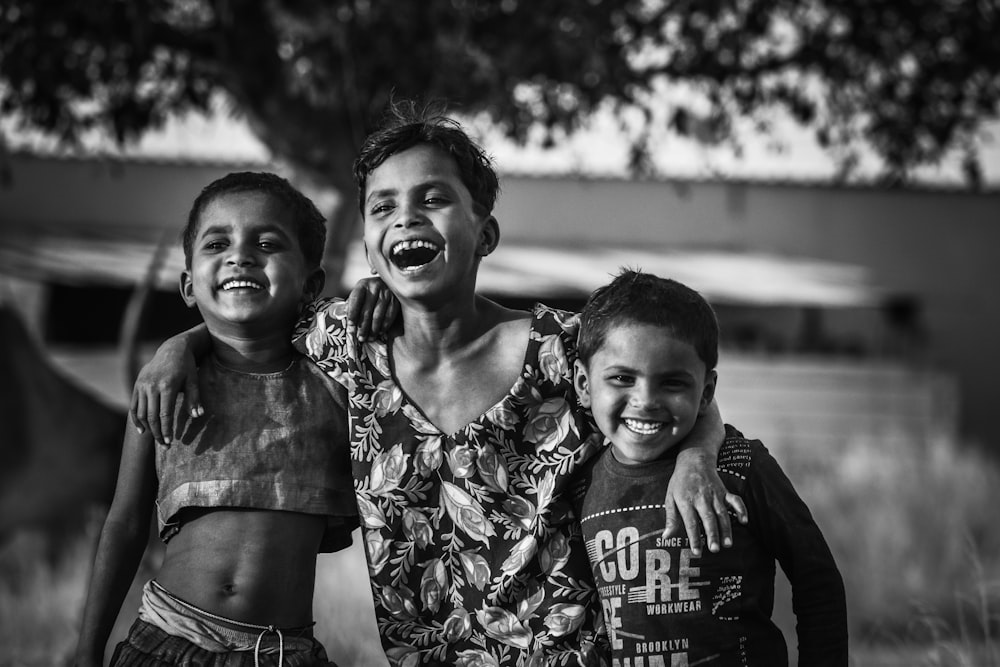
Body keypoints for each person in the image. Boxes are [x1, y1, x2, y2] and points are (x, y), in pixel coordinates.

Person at [130, 102, 746, 666]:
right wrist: (174, 348)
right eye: (383, 207)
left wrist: (697, 457)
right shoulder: (348, 345)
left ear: (486, 234)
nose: (406, 218)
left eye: (433, 199)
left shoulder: (563, 348)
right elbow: (241, 317)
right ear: (371, 251)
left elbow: (675, 393)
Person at [76, 172, 358, 667]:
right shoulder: (163, 389)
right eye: (217, 242)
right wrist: (86, 652)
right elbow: (124, 525)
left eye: (267, 242)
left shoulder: (338, 386)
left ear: (311, 284)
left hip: (282, 653)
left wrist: (376, 297)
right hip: (165, 639)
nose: (240, 255)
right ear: (188, 285)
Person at [571, 270, 848, 666]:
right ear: (584, 384)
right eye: (622, 378)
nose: (645, 400)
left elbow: (815, 577)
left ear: (707, 393)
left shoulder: (740, 465)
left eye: (672, 383)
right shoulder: (579, 480)